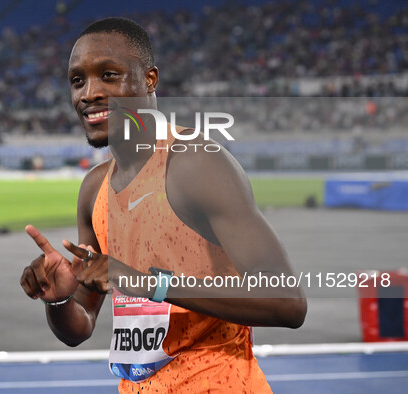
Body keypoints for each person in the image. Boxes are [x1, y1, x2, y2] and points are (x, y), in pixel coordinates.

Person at [20, 18, 307, 392]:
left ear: (150, 80)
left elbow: (287, 301)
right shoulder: (94, 190)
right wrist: (57, 302)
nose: (89, 93)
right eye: (78, 81)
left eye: (109, 75)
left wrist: (151, 284)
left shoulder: (195, 163)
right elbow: (81, 325)